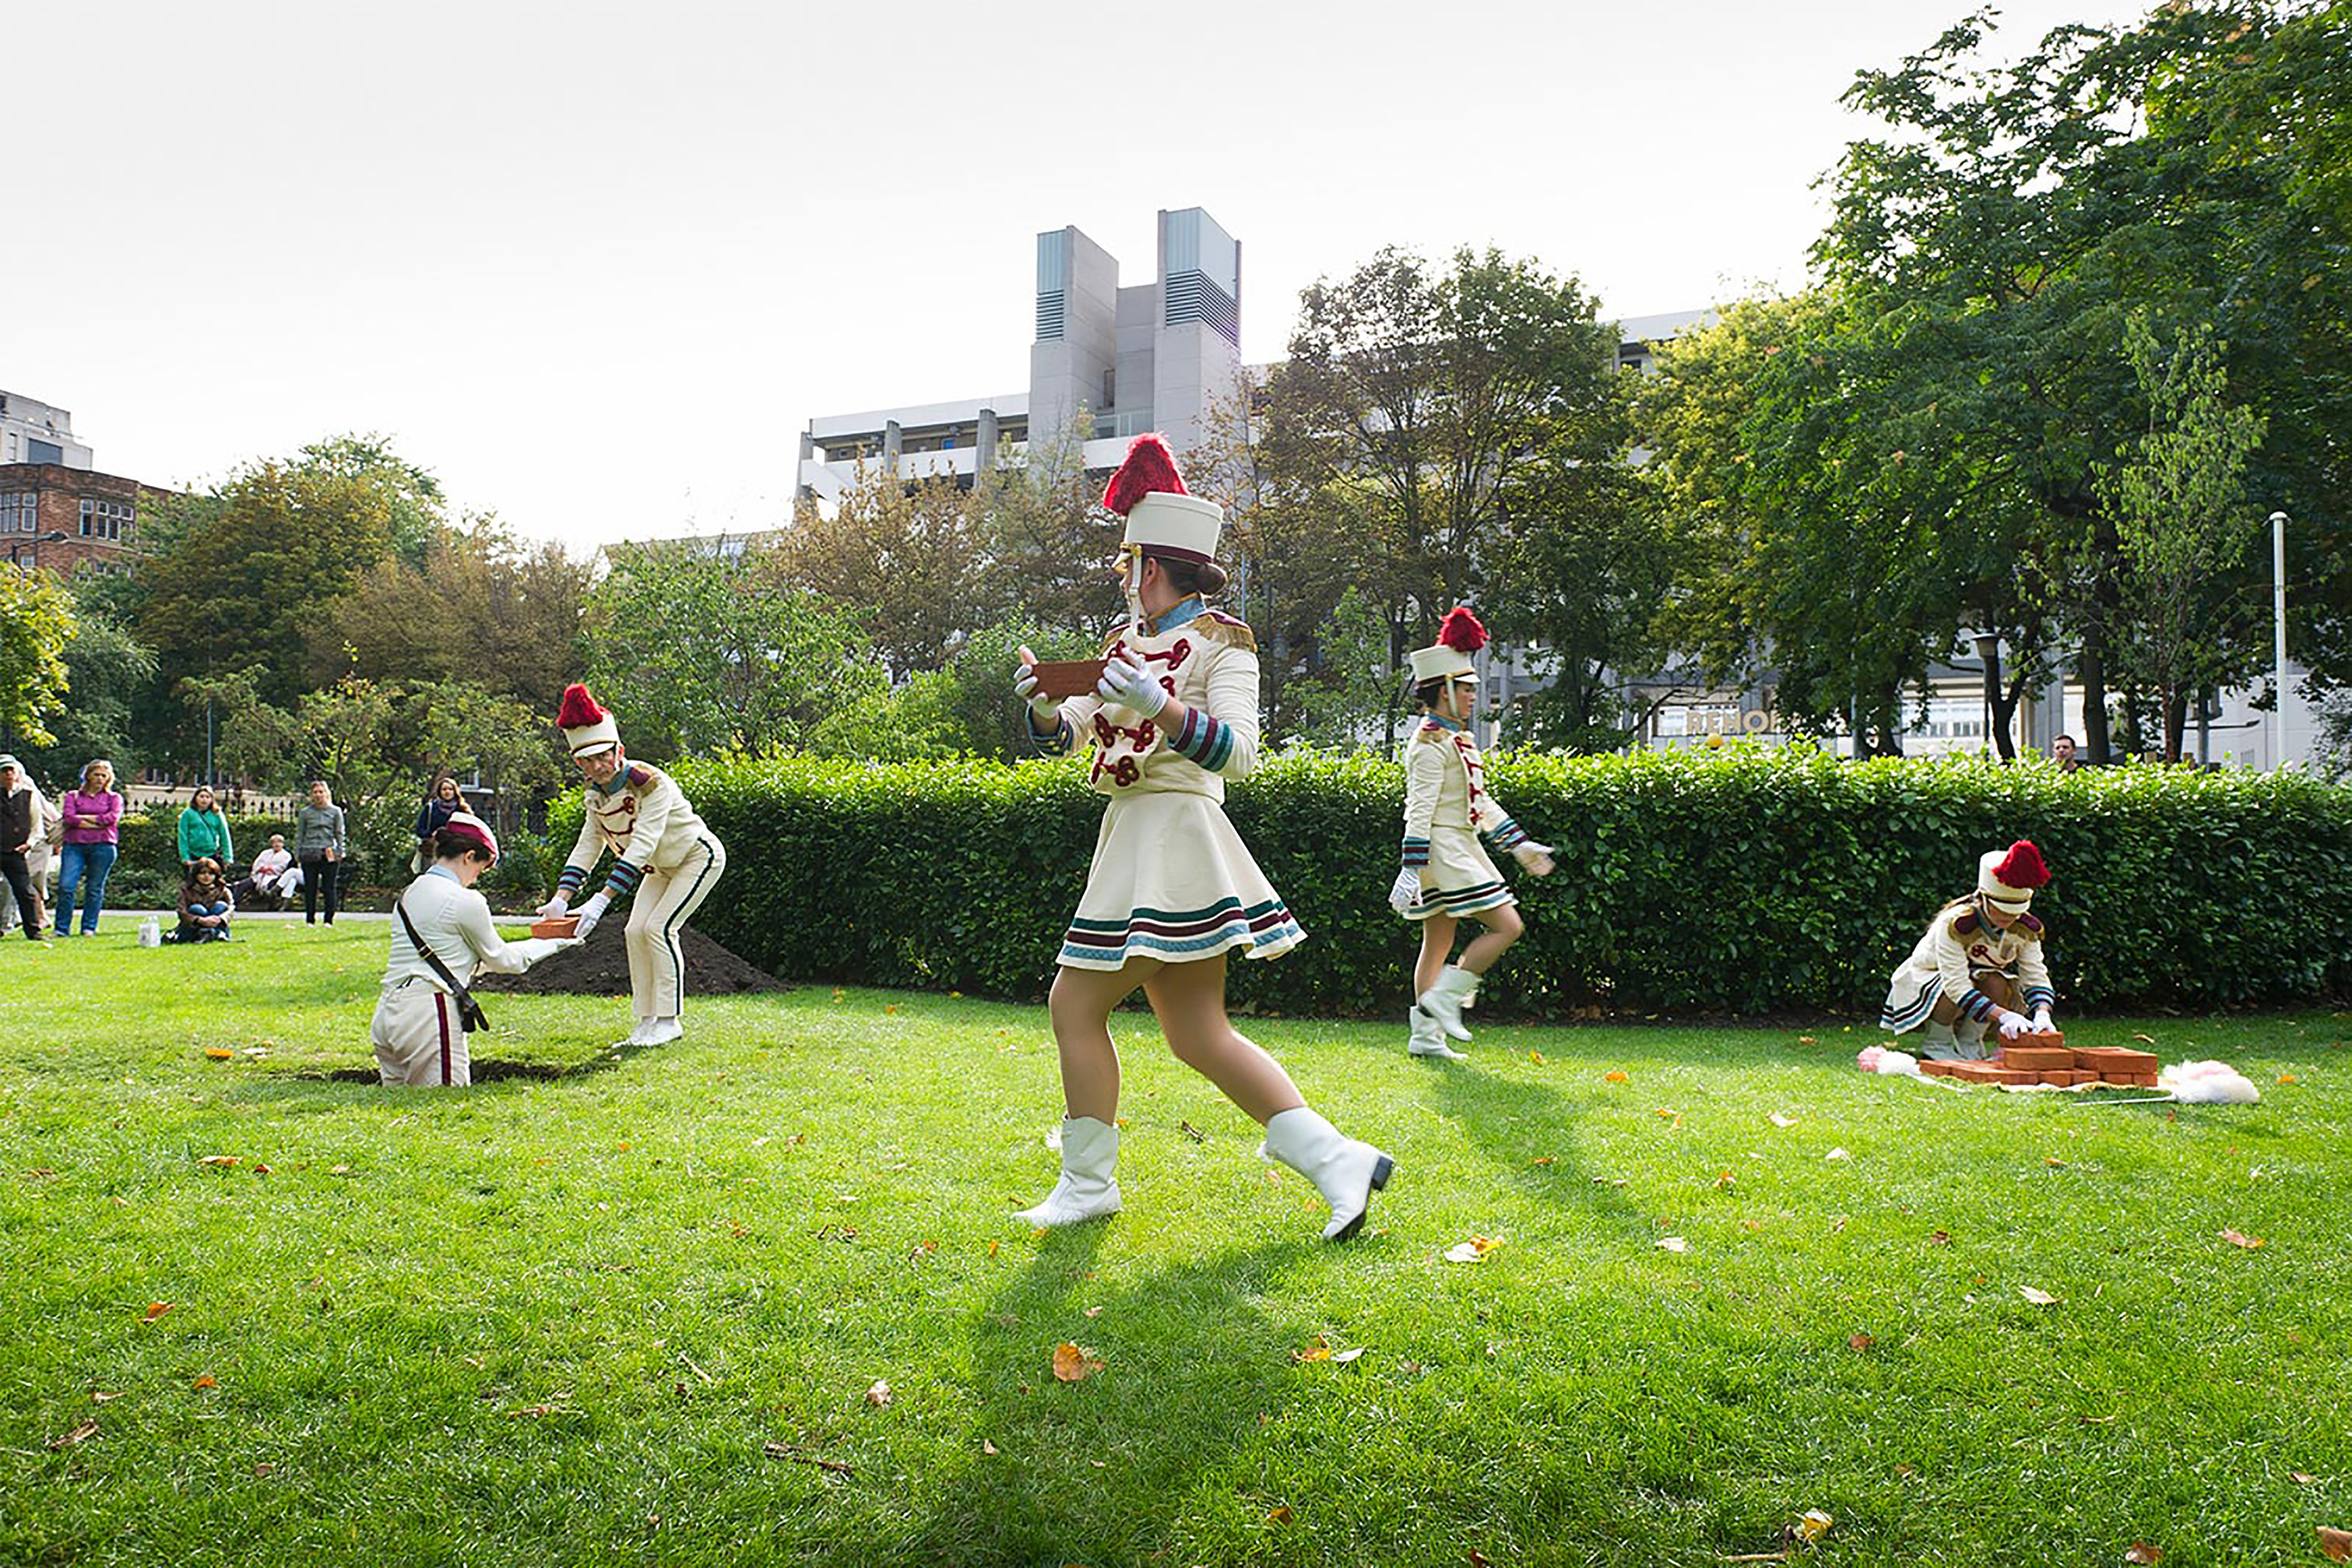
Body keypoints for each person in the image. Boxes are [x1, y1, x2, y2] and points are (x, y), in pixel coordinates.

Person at [1009, 433, 1392, 1242]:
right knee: (1197, 1033)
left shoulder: (1228, 644)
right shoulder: (1120, 647)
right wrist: (1045, 706)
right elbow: (1072, 732)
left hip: (1179, 835)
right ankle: (1337, 1159)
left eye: (1126, 565)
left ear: (1150, 565)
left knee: (1074, 1006)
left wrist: (1162, 704)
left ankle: (1087, 1184)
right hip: (1135, 837)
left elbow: (1241, 754)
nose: (1123, 580)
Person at [1389, 609, 1558, 1061]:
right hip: (1444, 850)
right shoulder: (1429, 743)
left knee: (1438, 941)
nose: (1471, 697)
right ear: (1442, 690)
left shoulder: (1457, 740)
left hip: (1460, 845)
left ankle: (1425, 1036)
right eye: (1465, 689)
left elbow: (1479, 803)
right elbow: (1419, 809)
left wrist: (1519, 845)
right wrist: (1410, 866)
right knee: (1508, 925)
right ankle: (1443, 1002)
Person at [534, 683, 727, 1048]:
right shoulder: (596, 795)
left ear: (619, 751)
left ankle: (670, 1021)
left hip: (696, 858)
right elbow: (589, 844)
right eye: (587, 761)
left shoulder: (650, 783)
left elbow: (642, 845)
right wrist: (562, 898)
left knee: (658, 928)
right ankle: (646, 1021)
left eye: (603, 756)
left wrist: (600, 900)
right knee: (634, 930)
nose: (597, 766)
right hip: (660, 869)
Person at [374, 812, 574, 1087]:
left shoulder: (410, 891)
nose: (478, 878)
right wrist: (554, 943)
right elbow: (504, 960)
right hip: (428, 1013)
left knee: (398, 1109)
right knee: (443, 1109)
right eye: (482, 867)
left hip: (387, 1013)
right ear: (469, 856)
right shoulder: (465, 900)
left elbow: (460, 957)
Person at [1878, 840, 2060, 1061]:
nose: (2009, 918)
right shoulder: (1954, 924)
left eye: (2015, 913)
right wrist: (2004, 1016)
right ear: (1983, 899)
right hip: (1930, 979)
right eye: (2001, 911)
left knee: (1997, 982)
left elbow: (2035, 974)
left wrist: (2042, 1013)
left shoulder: (2026, 929)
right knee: (1951, 985)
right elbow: (1956, 984)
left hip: (1977, 982)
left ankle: (1971, 1043)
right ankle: (1938, 1043)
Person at [54, 759, 123, 937]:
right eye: (96, 775)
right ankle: (62, 929)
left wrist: (83, 819)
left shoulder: (114, 798)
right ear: (88, 776)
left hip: (104, 846)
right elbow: (69, 818)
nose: (100, 779)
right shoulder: (73, 796)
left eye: (104, 776)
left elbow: (112, 819)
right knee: (66, 887)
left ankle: (89, 927)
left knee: (94, 888)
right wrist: (97, 821)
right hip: (75, 845)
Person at [0, 757, 54, 938]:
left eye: (11, 771)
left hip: (16, 851)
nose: (8, 775)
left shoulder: (28, 796)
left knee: (25, 891)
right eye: (4, 771)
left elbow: (36, 825)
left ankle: (33, 930)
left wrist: (29, 844)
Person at [294, 780, 348, 925]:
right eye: (315, 792)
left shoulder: (335, 811)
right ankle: (310, 920)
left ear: (326, 794)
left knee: (329, 887)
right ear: (311, 795)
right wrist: (297, 853)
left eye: (321, 792)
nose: (318, 795)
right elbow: (300, 834)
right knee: (310, 888)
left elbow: (339, 833)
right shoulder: (305, 813)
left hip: (329, 852)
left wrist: (341, 852)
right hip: (309, 852)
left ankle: (328, 920)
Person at [412, 772, 463, 873]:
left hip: (454, 851)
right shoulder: (431, 808)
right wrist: (431, 834)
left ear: (455, 791)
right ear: (440, 792)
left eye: (450, 789)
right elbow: (420, 829)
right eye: (444, 789)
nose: (447, 792)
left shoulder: (461, 810)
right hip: (432, 851)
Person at [173, 858, 235, 943]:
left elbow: (231, 908)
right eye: (203, 873)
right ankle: (203, 935)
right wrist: (199, 920)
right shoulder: (187, 891)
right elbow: (181, 911)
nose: (207, 876)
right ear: (196, 875)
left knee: (221, 906)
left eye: (211, 873)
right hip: (193, 929)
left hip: (217, 924)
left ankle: (217, 934)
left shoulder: (223, 890)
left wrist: (220, 918)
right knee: (197, 908)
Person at [176, 784, 233, 872]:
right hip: (194, 855)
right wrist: (185, 857)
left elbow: (225, 835)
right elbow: (183, 837)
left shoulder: (217, 814)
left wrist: (228, 857)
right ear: (196, 798)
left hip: (212, 853)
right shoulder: (188, 814)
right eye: (202, 797)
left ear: (212, 799)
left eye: (208, 797)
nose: (204, 800)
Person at [234, 834, 296, 910]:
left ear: (282, 844)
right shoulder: (265, 853)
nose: (277, 844)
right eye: (274, 843)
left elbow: (283, 867)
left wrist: (272, 869)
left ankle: (270, 907)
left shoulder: (287, 855)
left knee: (271, 885)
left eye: (279, 842)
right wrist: (262, 868)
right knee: (242, 885)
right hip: (259, 876)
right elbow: (257, 863)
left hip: (274, 876)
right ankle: (234, 904)